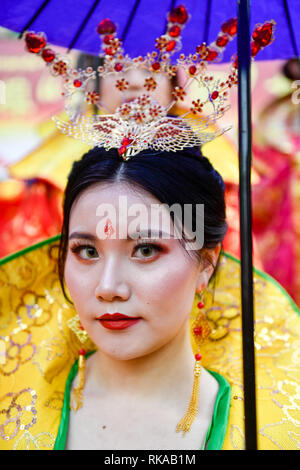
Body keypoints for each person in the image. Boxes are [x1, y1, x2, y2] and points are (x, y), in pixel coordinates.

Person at [0, 144, 299, 450]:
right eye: (87, 251)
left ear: (206, 263)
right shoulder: (11, 406)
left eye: (145, 250)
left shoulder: (278, 429)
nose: (108, 287)